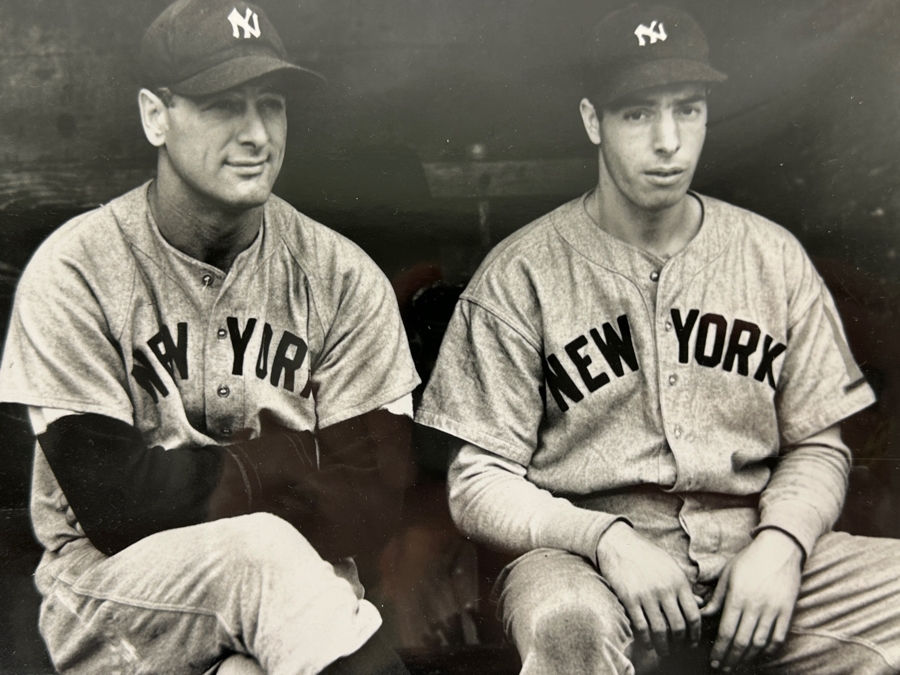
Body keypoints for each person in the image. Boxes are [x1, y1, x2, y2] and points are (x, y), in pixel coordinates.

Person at [416, 4, 900, 674]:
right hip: (585, 564)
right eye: (638, 113)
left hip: (752, 550)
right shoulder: (520, 274)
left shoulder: (772, 257)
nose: (668, 140)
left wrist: (783, 542)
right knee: (565, 621)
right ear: (593, 121)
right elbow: (477, 481)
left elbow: (817, 443)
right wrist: (603, 537)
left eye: (687, 109)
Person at [0, 1, 419, 673]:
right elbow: (115, 507)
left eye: (271, 104)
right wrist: (285, 465)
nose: (256, 134)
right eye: (224, 104)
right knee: (258, 556)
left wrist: (211, 480)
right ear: (155, 115)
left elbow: (372, 507)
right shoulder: (75, 271)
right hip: (114, 599)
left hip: (302, 602)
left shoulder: (341, 278)